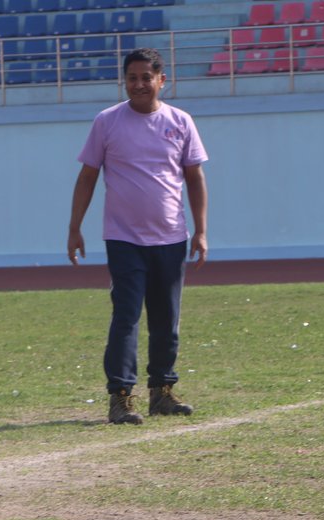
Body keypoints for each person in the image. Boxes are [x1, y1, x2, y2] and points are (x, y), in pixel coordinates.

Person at [67, 47, 209, 425]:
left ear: (162, 80)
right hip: (124, 239)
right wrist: (74, 227)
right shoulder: (107, 122)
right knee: (126, 316)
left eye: (147, 77)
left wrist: (201, 231)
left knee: (167, 318)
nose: (139, 84)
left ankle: (162, 392)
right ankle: (120, 397)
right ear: (124, 81)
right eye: (132, 77)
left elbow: (194, 178)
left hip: (171, 238)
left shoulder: (180, 122)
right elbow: (87, 177)